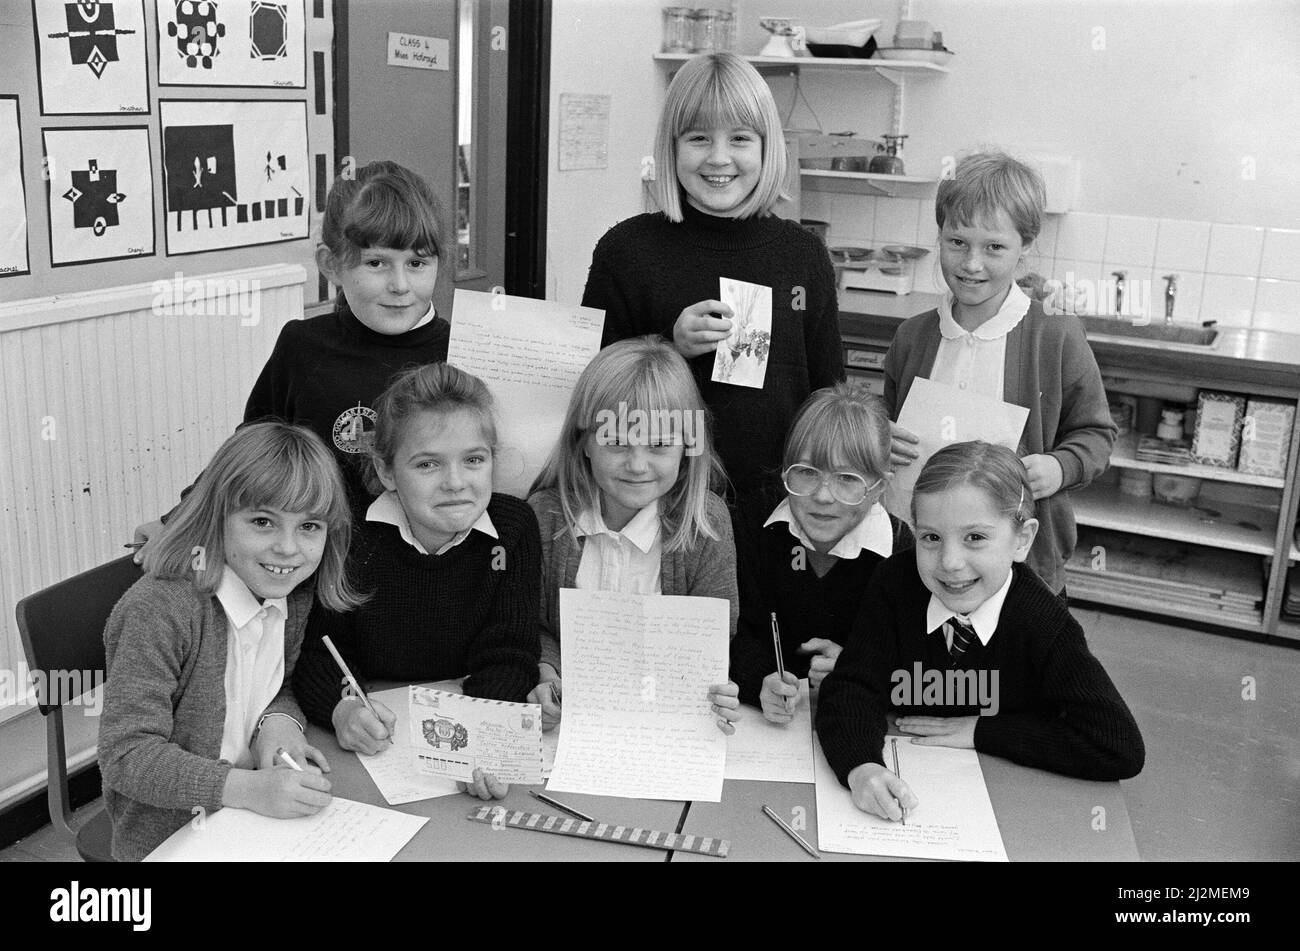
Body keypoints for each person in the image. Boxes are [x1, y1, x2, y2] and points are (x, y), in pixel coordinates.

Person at [132, 160, 452, 556]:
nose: (401, 285)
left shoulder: (461, 354)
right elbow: (250, 451)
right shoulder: (302, 346)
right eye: (376, 263)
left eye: (417, 263)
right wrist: (179, 521)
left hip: (430, 569)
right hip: (311, 569)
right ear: (331, 265)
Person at [817, 442, 1145, 822]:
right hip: (912, 776)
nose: (950, 563)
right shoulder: (895, 583)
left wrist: (984, 732)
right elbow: (852, 687)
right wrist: (861, 767)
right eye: (931, 538)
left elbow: (1117, 745)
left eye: (975, 537)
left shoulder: (1043, 621)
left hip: (1011, 802)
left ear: (1022, 539)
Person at [583, 51, 844, 503]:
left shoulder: (804, 257)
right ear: (672, 146)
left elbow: (829, 397)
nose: (719, 158)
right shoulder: (626, 252)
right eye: (699, 137)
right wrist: (669, 347)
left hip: (777, 507)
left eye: (740, 138)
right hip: (657, 505)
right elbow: (592, 401)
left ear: (767, 146)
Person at [99, 422, 360, 861]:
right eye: (262, 522)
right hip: (174, 838)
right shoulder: (160, 609)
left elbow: (279, 685)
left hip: (254, 817)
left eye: (310, 526)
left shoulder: (291, 594)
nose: (288, 549)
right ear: (215, 517)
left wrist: (278, 723)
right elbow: (126, 755)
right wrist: (246, 788)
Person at [292, 362, 540, 801]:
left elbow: (509, 651)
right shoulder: (353, 538)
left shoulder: (513, 530)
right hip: (375, 747)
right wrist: (341, 707)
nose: (455, 483)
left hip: (461, 731)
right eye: (428, 464)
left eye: (474, 460)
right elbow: (321, 651)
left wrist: (483, 735)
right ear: (387, 472)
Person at [885, 151, 1115, 595]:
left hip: (1021, 572)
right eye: (957, 242)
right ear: (940, 235)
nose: (972, 264)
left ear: (1025, 246)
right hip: (921, 558)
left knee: (1015, 663)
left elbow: (1096, 434)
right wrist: (879, 434)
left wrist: (1060, 466)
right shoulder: (912, 337)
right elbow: (885, 420)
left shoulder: (1054, 335)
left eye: (994, 247)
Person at [525, 336, 740, 734]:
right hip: (570, 729)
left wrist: (717, 690)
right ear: (583, 442)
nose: (637, 464)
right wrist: (545, 673)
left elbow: (713, 638)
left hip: (662, 727)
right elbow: (534, 625)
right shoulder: (545, 516)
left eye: (659, 444)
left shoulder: (706, 524)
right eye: (618, 441)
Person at [730, 382, 902, 722]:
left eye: (847, 478)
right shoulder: (752, 526)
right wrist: (760, 680)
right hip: (763, 726)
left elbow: (922, 666)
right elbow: (735, 631)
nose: (824, 496)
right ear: (785, 472)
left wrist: (858, 668)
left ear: (879, 488)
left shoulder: (903, 552)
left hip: (862, 723)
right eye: (808, 473)